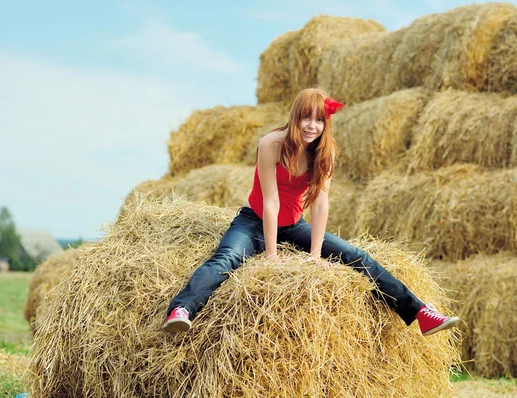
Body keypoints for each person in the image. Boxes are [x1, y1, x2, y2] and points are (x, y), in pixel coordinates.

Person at [164, 88, 459, 336]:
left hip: (294, 225)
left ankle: (420, 312)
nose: (311, 126)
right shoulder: (271, 144)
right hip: (253, 221)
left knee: (356, 255)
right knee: (227, 258)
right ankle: (182, 308)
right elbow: (270, 201)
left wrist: (315, 255)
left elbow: (320, 203)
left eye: (319, 120)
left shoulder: (324, 153)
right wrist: (271, 256)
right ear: (296, 117)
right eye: (306, 117)